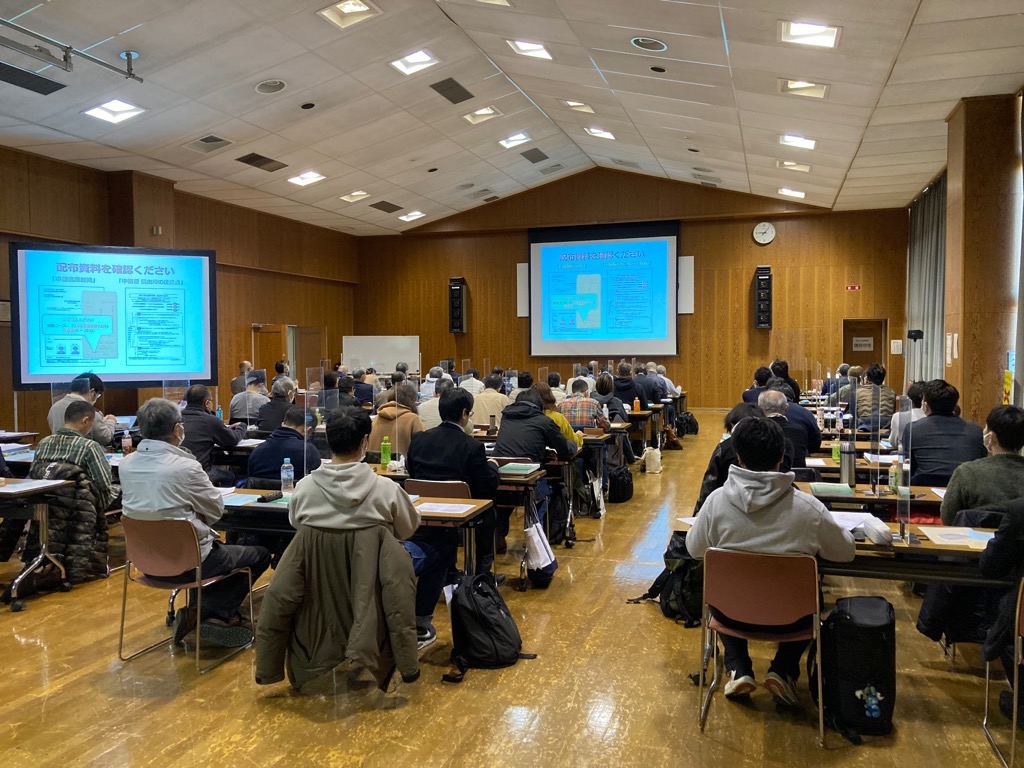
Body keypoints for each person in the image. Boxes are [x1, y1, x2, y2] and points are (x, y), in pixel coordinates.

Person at [686, 416, 855, 704]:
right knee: (812, 595)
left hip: (730, 614)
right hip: (792, 620)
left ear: (738, 458)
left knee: (723, 588)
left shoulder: (716, 502)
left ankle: (738, 668)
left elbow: (693, 549)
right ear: (782, 457)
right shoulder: (808, 508)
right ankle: (784, 669)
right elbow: (845, 552)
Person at [285, 405, 435, 662]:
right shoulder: (385, 488)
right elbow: (408, 528)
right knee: (436, 553)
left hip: (322, 580)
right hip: (376, 577)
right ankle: (421, 626)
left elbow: (297, 525)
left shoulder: (304, 487)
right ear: (365, 441)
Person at [120, 398, 271, 648]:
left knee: (219, 554)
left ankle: (199, 612)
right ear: (177, 430)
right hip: (191, 561)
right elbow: (216, 509)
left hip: (144, 562)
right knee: (259, 554)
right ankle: (212, 614)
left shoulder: (126, 464)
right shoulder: (186, 467)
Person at [406, 387, 503, 638]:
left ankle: (452, 572)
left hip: (423, 515)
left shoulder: (419, 440)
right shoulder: (471, 446)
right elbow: (486, 485)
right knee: (490, 514)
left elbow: (412, 474)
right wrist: (492, 467)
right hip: (463, 517)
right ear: (463, 414)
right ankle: (482, 574)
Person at [2, 400, 119, 586]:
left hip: (46, 507)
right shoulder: (90, 447)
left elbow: (36, 476)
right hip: (80, 511)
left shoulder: (43, 444)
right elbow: (103, 485)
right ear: (86, 421)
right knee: (120, 488)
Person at [492, 389, 577, 550]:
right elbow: (564, 449)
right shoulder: (543, 421)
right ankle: (536, 539)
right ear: (538, 405)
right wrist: (574, 445)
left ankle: (499, 536)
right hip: (529, 482)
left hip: (501, 481)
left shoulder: (506, 418)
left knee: (505, 499)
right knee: (545, 494)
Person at [693, 403, 795, 514]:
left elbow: (710, 485)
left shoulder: (725, 448)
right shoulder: (783, 444)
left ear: (739, 458)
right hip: (781, 505)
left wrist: (698, 513)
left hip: (729, 508)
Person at [940, 405, 1024, 524]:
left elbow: (948, 517)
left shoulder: (967, 472)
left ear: (991, 437)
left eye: (986, 427)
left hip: (972, 541)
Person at [902, 379, 986, 483]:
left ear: (926, 405)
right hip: (965, 492)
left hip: (923, 490)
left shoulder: (912, 429)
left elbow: (908, 467)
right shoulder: (975, 430)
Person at [181, 385, 247, 487]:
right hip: (201, 473)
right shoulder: (209, 420)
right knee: (231, 477)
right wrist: (242, 426)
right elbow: (232, 440)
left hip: (177, 471)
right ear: (207, 403)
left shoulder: (176, 418)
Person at [247, 406, 323, 483]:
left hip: (262, 494)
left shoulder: (257, 451)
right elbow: (317, 482)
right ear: (306, 430)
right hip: (296, 494)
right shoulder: (309, 451)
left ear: (283, 424)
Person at [47, 372, 117, 447]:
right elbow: (104, 438)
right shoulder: (88, 410)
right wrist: (111, 421)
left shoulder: (54, 407)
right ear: (92, 392)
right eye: (98, 395)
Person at [765, 379, 822, 455]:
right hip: (799, 459)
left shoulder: (759, 412)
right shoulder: (806, 413)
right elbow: (816, 443)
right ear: (792, 396)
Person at [368, 382, 424, 457]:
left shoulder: (377, 418)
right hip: (401, 466)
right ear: (413, 400)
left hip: (375, 465)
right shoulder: (413, 419)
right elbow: (422, 446)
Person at [758, 390, 808, 468]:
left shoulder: (755, 431)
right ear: (786, 408)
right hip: (798, 476)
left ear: (759, 408)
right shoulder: (799, 431)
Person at [535, 382, 583, 448]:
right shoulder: (558, 417)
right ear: (550, 396)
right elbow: (572, 440)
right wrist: (579, 436)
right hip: (557, 454)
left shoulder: (529, 417)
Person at [854, 363, 898, 431]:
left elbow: (854, 415)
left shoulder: (857, 392)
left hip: (864, 426)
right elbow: (893, 412)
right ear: (883, 378)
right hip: (887, 426)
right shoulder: (892, 392)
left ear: (867, 377)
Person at [889, 381, 926, 452]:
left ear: (909, 400)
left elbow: (893, 443)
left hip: (904, 458)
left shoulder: (897, 416)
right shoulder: (933, 419)